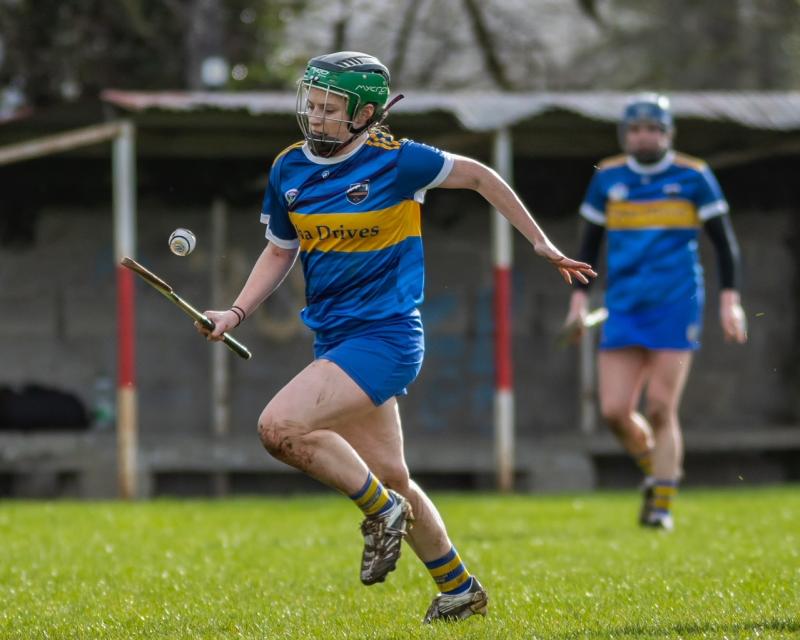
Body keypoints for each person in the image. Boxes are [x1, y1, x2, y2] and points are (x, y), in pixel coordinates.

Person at [198, 51, 596, 622]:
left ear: (365, 113)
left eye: (330, 109)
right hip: (334, 338)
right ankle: (459, 589)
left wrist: (539, 243)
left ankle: (378, 511)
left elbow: (481, 177)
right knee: (393, 477)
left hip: (385, 337)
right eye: (310, 104)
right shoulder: (289, 168)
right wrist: (235, 312)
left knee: (279, 427)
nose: (315, 116)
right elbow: (279, 250)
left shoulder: (400, 161)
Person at [564, 93, 747, 531]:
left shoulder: (693, 175)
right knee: (614, 411)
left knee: (662, 407)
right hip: (623, 304)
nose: (644, 136)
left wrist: (730, 301)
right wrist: (578, 302)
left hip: (676, 303)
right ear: (626, 134)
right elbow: (587, 248)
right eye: (636, 129)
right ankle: (656, 471)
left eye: (653, 129)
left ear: (667, 133)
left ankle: (661, 506)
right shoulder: (608, 178)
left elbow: (725, 244)